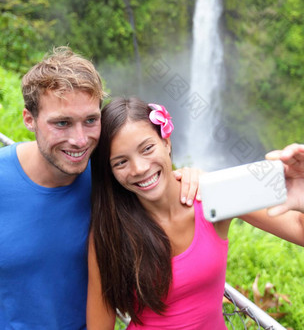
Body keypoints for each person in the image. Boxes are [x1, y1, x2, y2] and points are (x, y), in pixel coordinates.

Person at [87, 96, 304, 330]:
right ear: (110, 172)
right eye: (121, 162)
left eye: (147, 148)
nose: (140, 168)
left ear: (166, 141)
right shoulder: (110, 231)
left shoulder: (214, 194)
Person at [0, 47, 199, 330]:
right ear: (29, 119)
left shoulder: (114, 178)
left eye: (91, 120)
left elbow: (158, 186)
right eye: (62, 123)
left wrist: (193, 177)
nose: (80, 140)